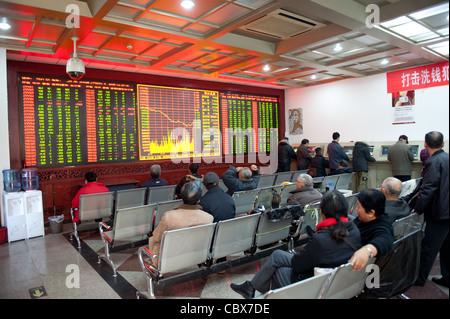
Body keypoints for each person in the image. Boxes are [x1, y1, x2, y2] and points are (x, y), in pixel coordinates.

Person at [230, 190, 361, 298]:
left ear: (322, 212)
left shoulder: (321, 239)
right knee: (277, 257)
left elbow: (298, 265)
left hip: (313, 282)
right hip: (338, 278)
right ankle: (252, 288)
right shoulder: (354, 229)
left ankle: (256, 290)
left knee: (276, 269)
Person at [147, 180, 213, 267]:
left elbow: (156, 237)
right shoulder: (208, 218)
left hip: (169, 258)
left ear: (182, 198)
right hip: (195, 255)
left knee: (152, 239)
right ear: (198, 200)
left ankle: (157, 267)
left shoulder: (169, 216)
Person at [413, 131, 449, 288]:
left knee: (429, 247)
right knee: (447, 248)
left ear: (425, 144)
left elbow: (427, 189)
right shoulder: (447, 158)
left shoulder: (433, 162)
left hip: (439, 213)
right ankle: (447, 278)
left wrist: (417, 208)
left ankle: (419, 279)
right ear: (443, 144)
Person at [349, 189, 394, 271]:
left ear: (371, 213)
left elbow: (385, 240)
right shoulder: (363, 219)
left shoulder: (382, 227)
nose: (356, 209)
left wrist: (367, 250)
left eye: (359, 207)